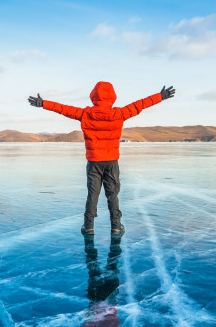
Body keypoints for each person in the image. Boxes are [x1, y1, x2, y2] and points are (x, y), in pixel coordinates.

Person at [28, 82, 175, 235]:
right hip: (111, 162)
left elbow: (63, 109)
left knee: (93, 194)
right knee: (112, 195)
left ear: (93, 96)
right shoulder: (119, 113)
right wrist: (160, 96)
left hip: (94, 162)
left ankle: (88, 226)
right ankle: (116, 226)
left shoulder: (85, 113)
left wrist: (43, 103)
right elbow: (140, 105)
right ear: (112, 96)